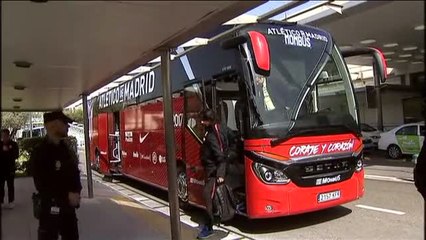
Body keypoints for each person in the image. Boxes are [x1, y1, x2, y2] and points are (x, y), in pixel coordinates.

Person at [29, 111, 82, 240]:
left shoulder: (65, 149)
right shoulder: (41, 152)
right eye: (65, 124)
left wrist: (76, 191)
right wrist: (67, 194)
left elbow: (74, 174)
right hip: (50, 210)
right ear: (53, 126)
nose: (68, 127)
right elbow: (42, 183)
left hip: (68, 210)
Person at [197, 109, 237, 239]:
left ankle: (209, 227)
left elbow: (219, 157)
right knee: (211, 197)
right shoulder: (219, 129)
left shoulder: (211, 136)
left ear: (208, 120)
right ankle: (212, 222)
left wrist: (220, 174)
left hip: (214, 171)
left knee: (208, 196)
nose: (201, 122)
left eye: (203, 120)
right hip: (213, 170)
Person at [0, 129, 19, 209]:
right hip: (1, 169)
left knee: (10, 185)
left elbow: (16, 155)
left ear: (8, 136)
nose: (3, 137)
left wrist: (7, 151)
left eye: (5, 136)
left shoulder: (13, 144)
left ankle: (11, 201)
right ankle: (1, 201)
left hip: (10, 168)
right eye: (2, 136)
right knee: (1, 186)